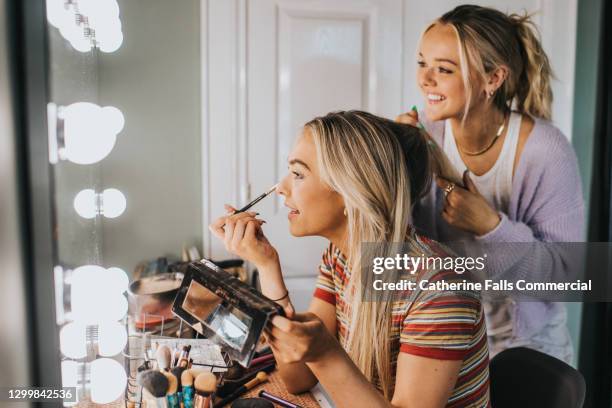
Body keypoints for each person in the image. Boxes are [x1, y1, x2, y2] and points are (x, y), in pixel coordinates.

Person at [210, 111, 490, 408]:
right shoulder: (338, 258)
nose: (281, 188)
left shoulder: (439, 291)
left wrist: (326, 353)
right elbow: (298, 378)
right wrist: (266, 265)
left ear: (351, 191)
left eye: (299, 174)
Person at [396, 5, 584, 363]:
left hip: (526, 349)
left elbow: (565, 276)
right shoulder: (422, 135)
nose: (425, 79)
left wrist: (489, 226)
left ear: (493, 79)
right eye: (422, 63)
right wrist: (394, 164)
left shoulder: (546, 151)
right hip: (443, 337)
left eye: (444, 69)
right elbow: (399, 245)